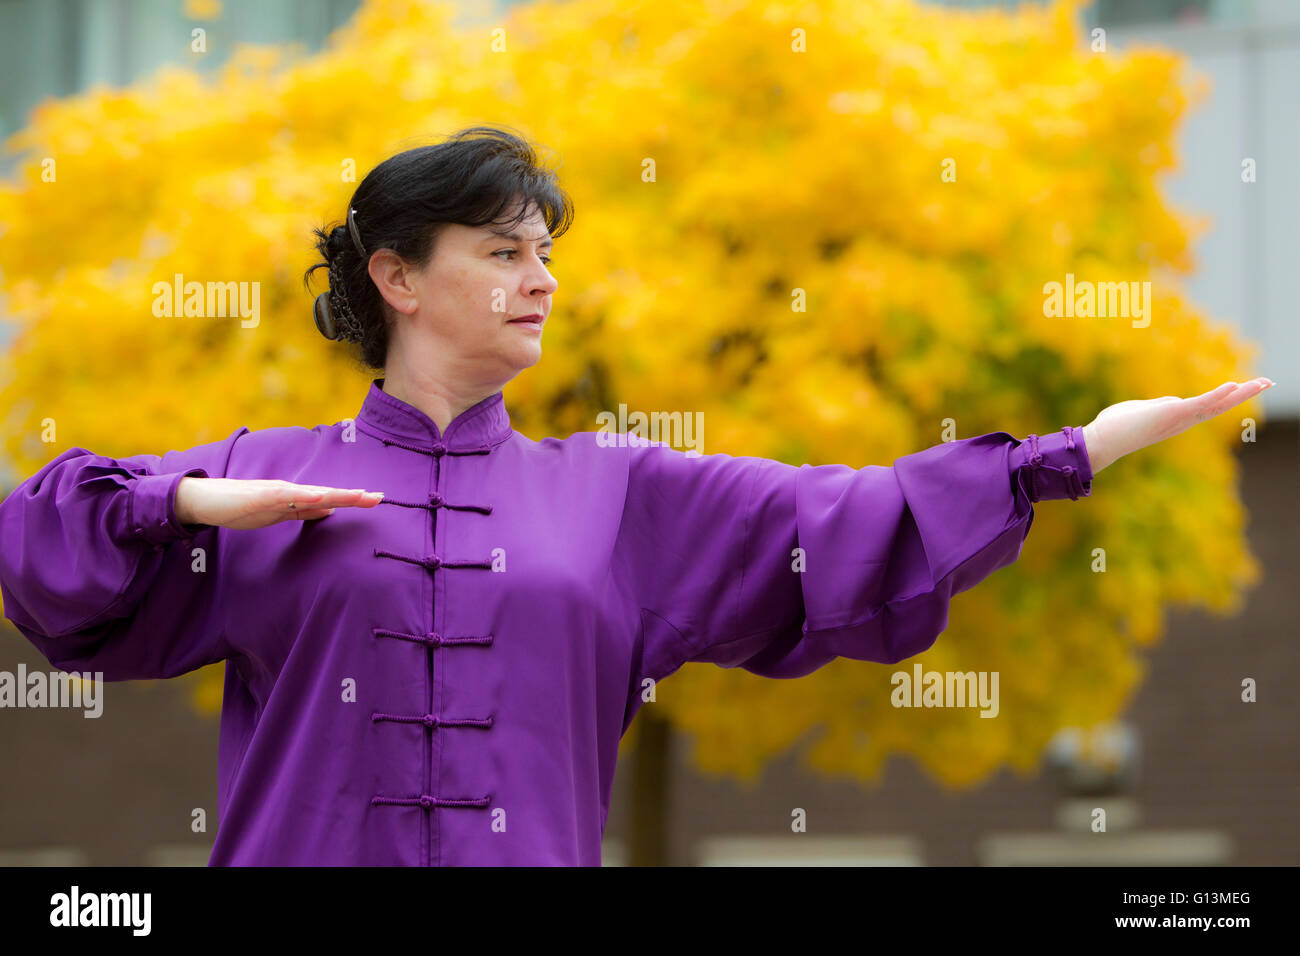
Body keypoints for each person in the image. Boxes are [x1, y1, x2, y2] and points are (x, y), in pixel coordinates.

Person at [0, 125, 1273, 866]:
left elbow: (842, 518)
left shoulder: (617, 495)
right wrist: (184, 505)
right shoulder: (273, 476)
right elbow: (47, 552)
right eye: (502, 252)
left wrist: (1066, 453)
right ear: (395, 276)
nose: (539, 279)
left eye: (545, 253)